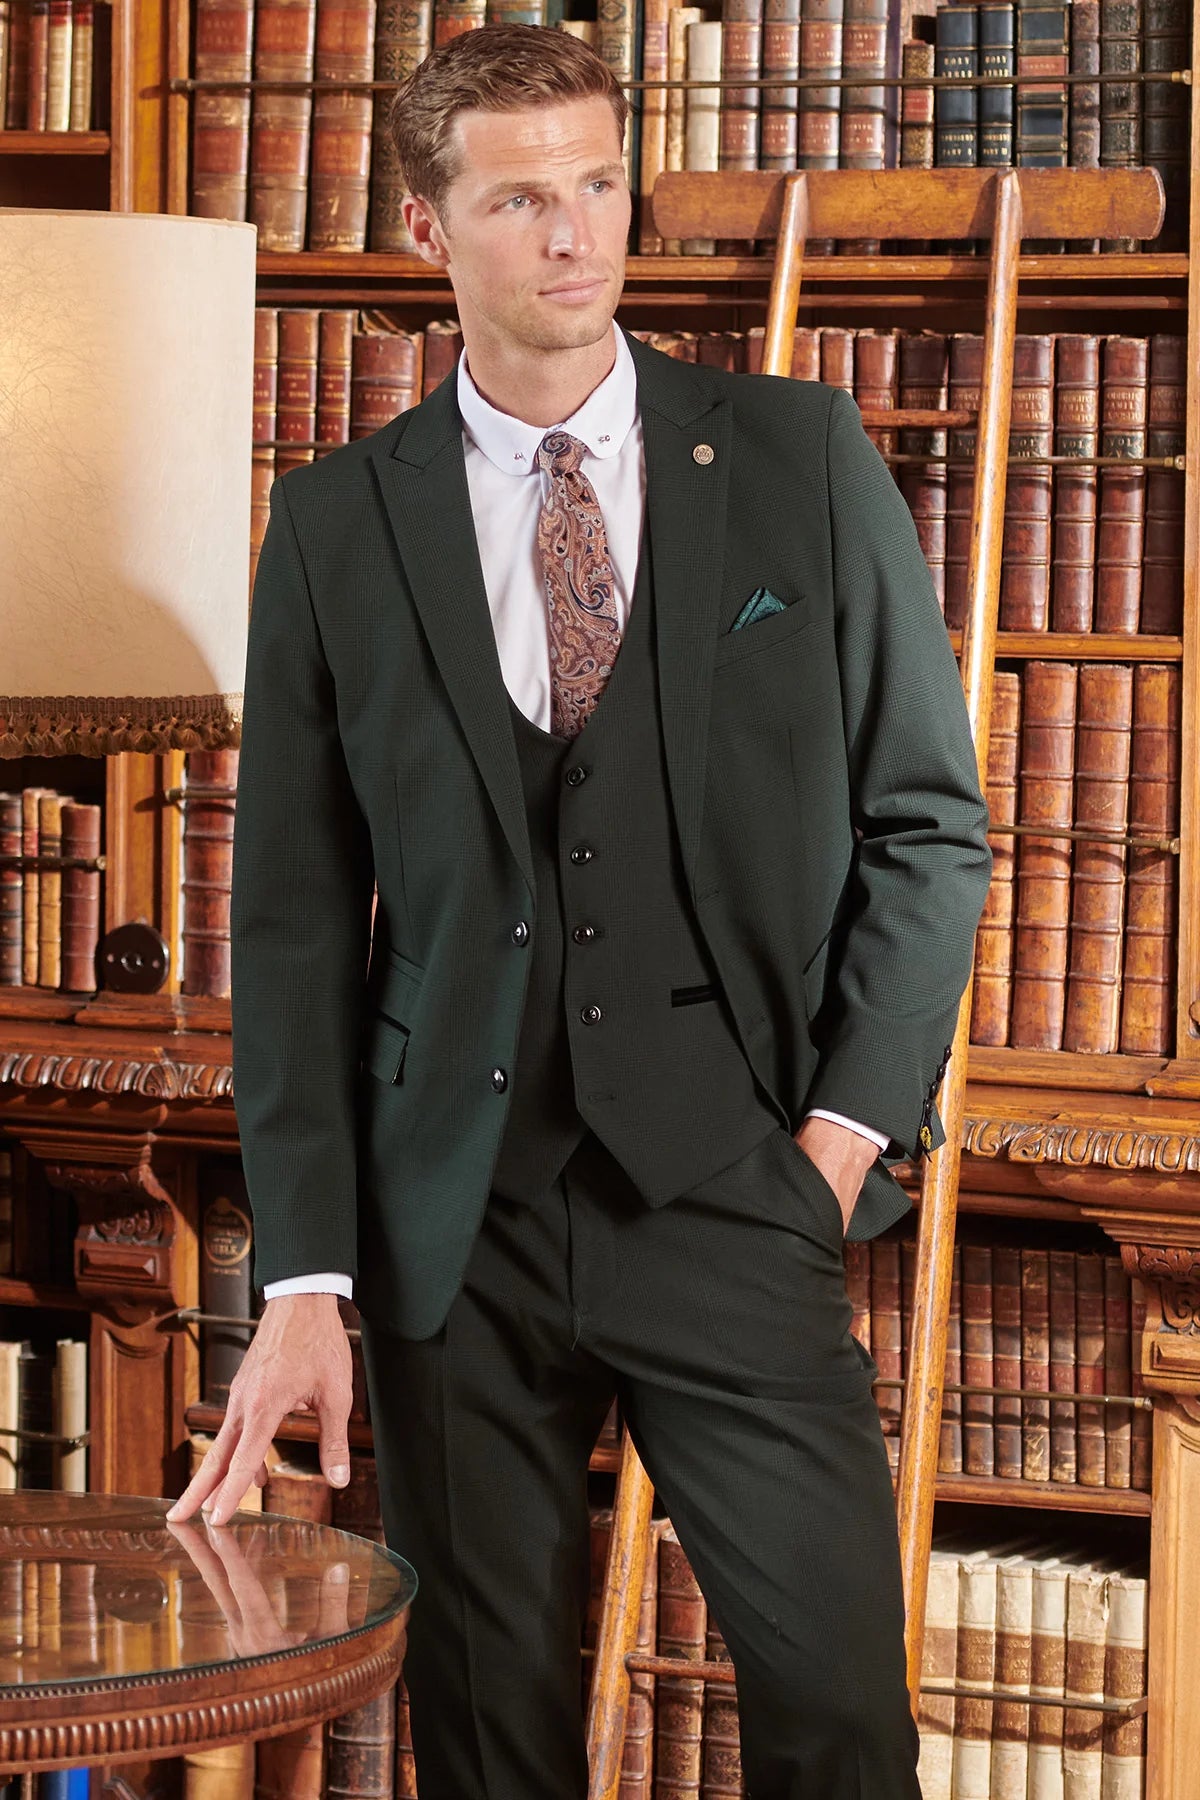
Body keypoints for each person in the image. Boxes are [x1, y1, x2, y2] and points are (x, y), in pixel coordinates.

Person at [167, 23, 991, 1797]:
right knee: (487, 1744)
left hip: (739, 1192)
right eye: (522, 196)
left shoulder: (796, 456)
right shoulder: (330, 527)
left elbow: (931, 826)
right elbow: (298, 925)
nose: (576, 233)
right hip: (453, 1230)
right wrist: (307, 1271)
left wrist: (836, 1145)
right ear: (425, 229)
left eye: (599, 183)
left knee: (842, 1715)